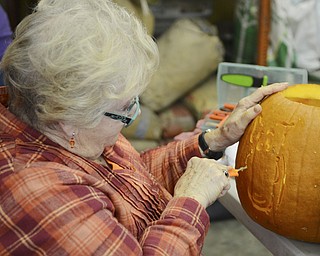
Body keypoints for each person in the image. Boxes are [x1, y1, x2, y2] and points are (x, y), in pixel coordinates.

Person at [0, 0, 288, 255]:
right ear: (67, 117)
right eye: (125, 109)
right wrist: (190, 200)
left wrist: (212, 141)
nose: (134, 115)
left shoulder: (76, 135)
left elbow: (133, 182)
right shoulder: (41, 196)